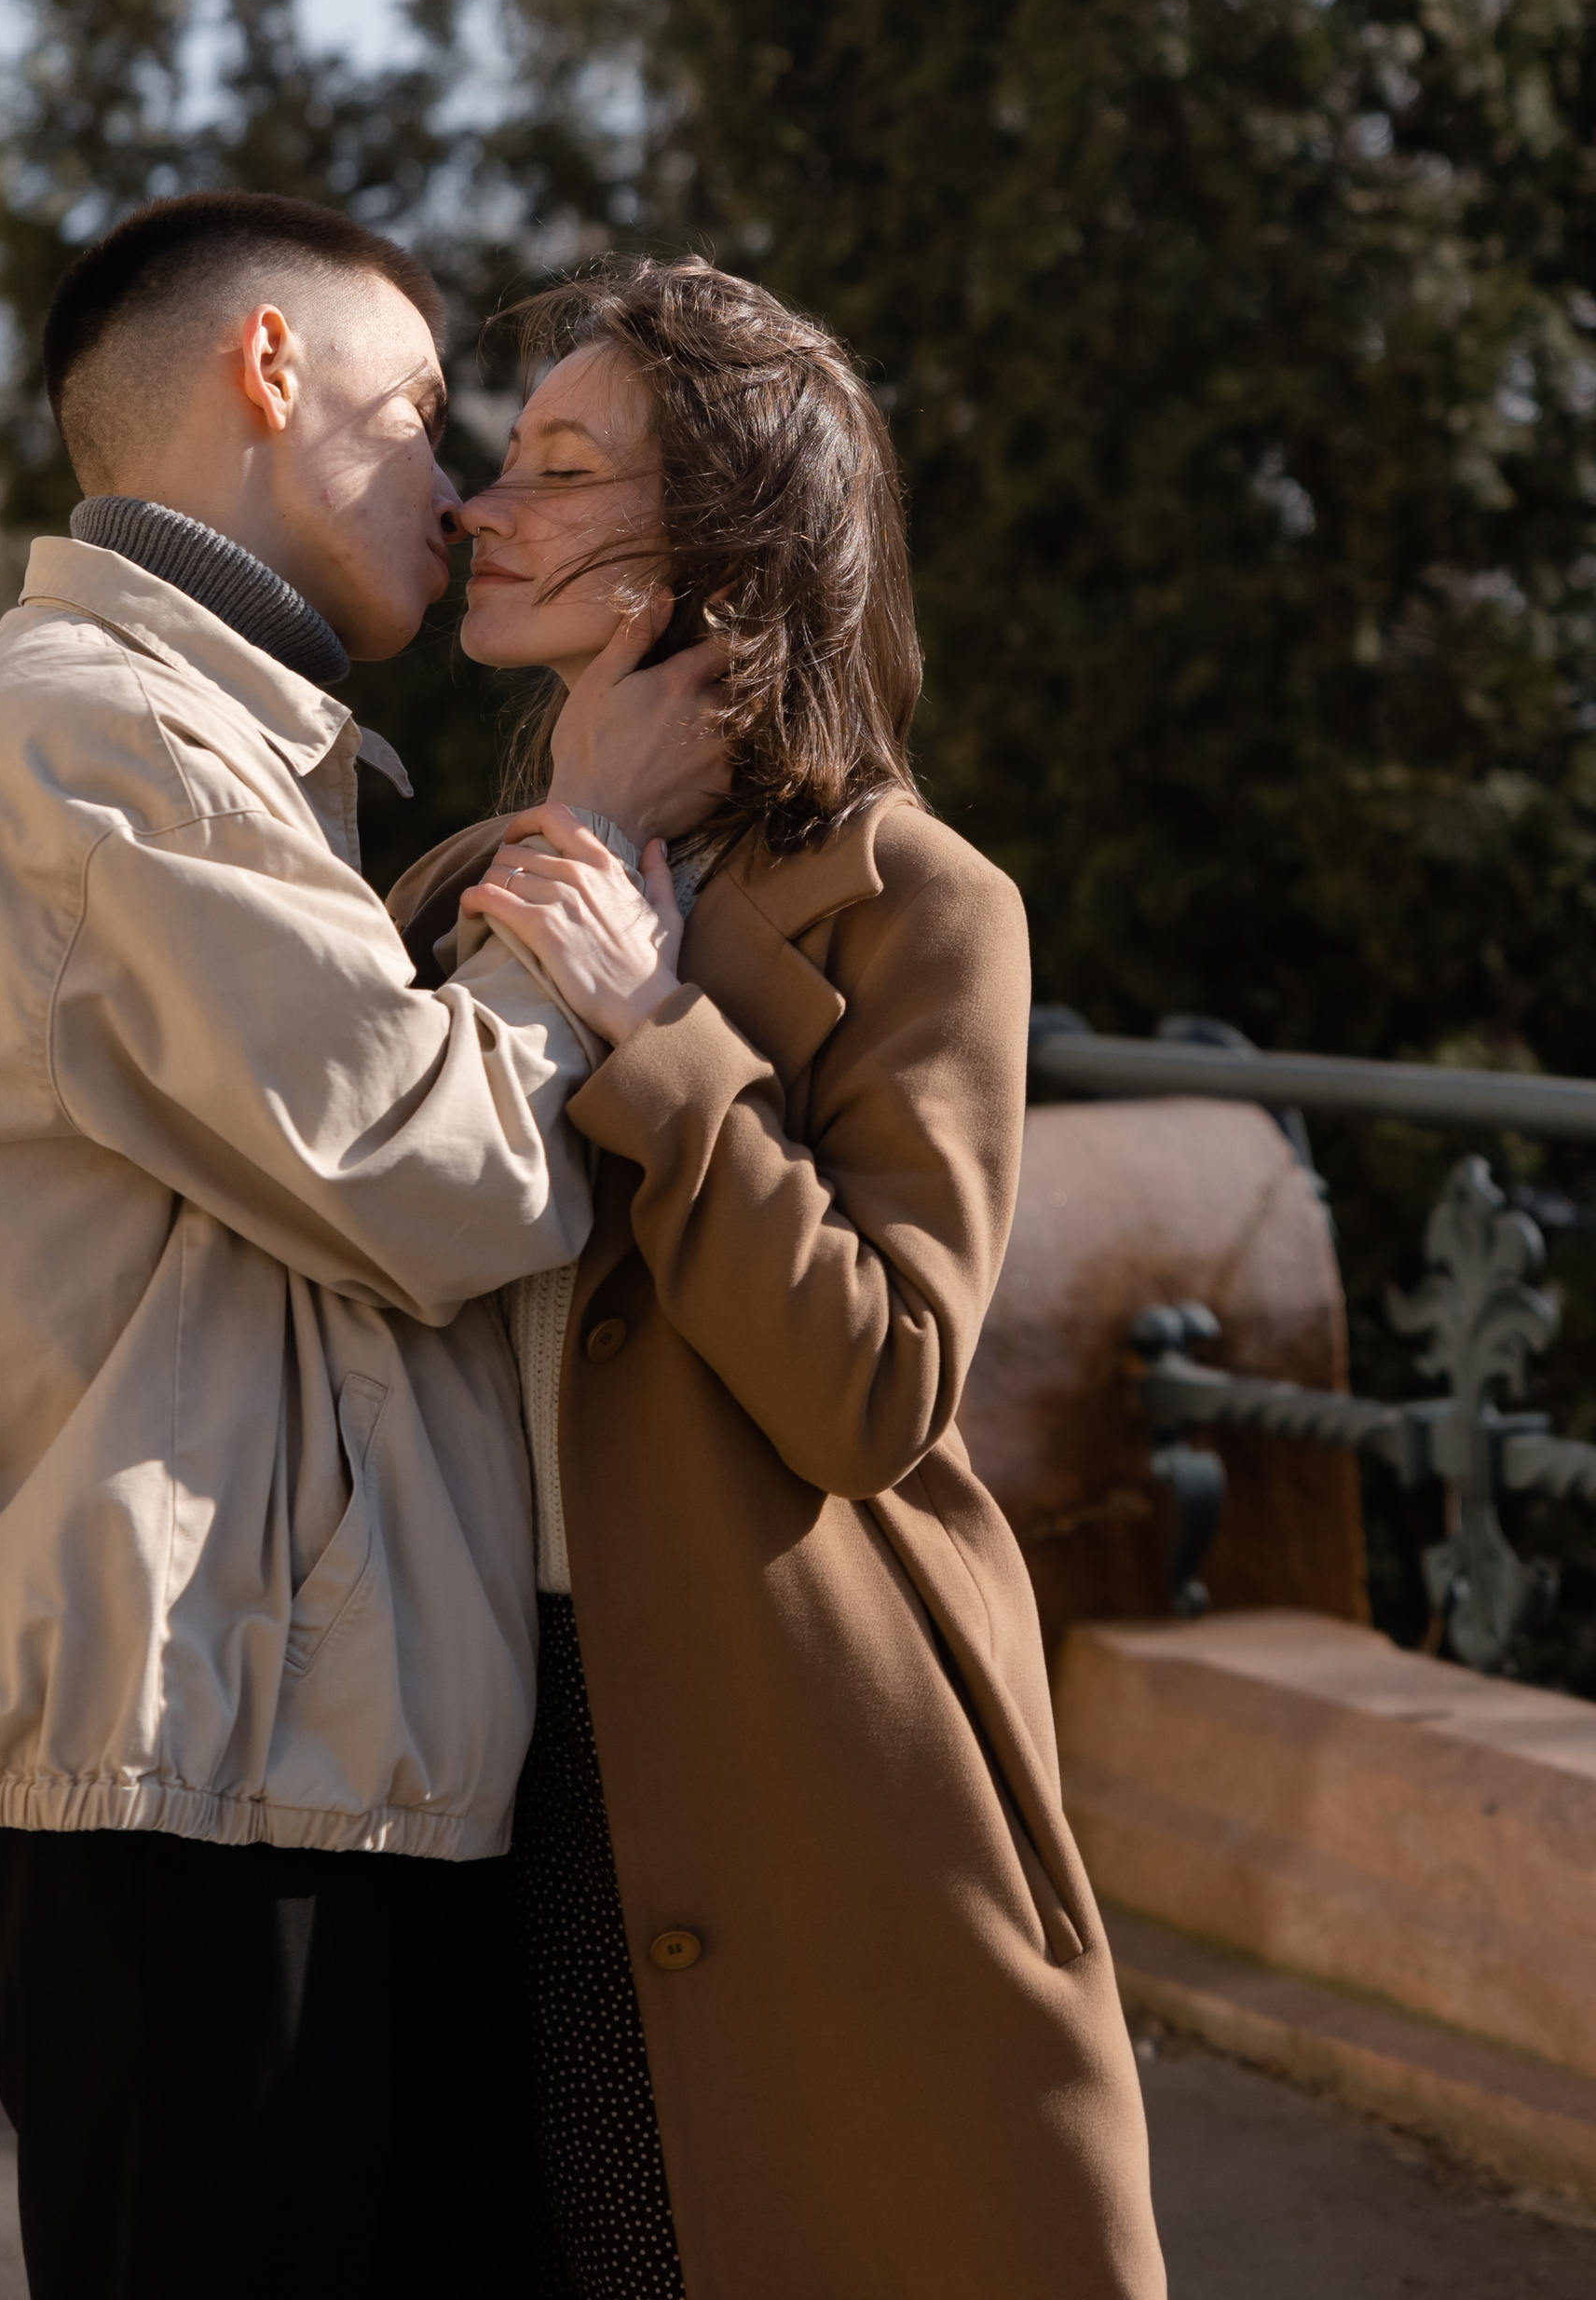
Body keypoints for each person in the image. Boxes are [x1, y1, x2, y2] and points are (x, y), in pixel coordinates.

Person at [0, 192, 713, 2300]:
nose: (459, 486)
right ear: (265, 374)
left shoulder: (167, 739)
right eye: (418, 416)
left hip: (265, 1761)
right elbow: (438, 1176)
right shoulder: (100, 736)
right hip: (213, 1798)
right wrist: (592, 853)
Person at [394, 255, 1167, 2300]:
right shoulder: (435, 889)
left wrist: (657, 1033)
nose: (485, 505)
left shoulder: (921, 908)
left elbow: (874, 1387)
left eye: (559, 467)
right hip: (479, 1748)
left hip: (806, 1762)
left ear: (725, 546)